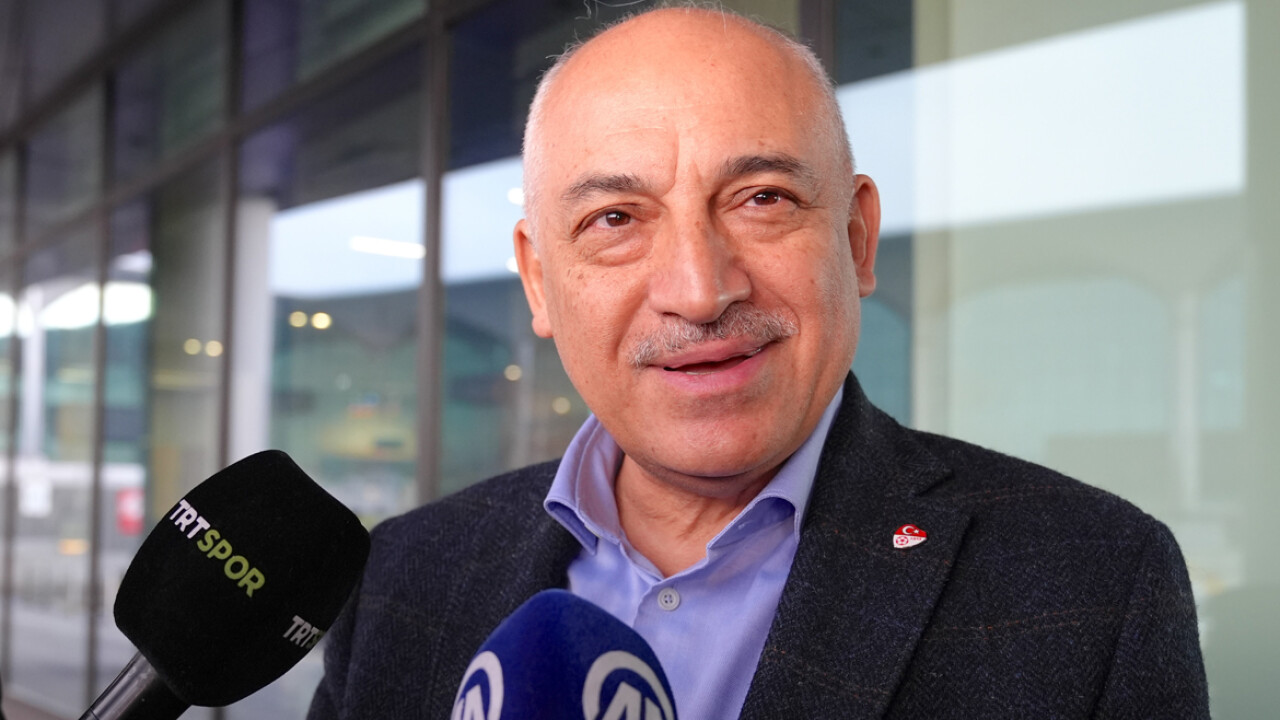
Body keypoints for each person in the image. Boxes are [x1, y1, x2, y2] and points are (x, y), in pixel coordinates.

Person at [308, 7, 1209, 719]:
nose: (700, 291)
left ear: (856, 239)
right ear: (540, 281)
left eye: (762, 199)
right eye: (615, 219)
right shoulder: (401, 577)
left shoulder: (1094, 579)